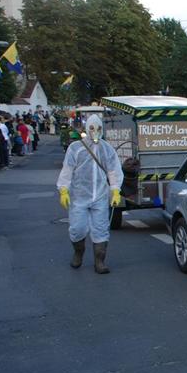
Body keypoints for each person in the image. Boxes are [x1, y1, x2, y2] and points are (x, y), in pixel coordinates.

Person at [56, 115, 124, 274]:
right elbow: (67, 170)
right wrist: (64, 190)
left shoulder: (106, 148)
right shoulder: (75, 148)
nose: (95, 132)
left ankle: (99, 261)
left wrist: (115, 190)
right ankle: (78, 253)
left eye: (98, 128)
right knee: (78, 228)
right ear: (87, 128)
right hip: (79, 196)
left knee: (101, 229)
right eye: (92, 128)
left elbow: (113, 170)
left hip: (100, 196)